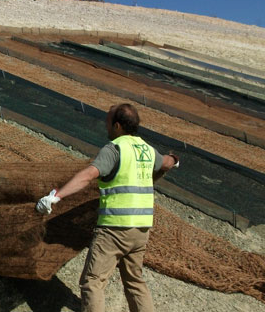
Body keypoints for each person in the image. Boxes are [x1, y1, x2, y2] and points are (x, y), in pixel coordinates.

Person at [36, 103, 179, 312]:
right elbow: (165, 163)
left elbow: (88, 175)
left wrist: (56, 196)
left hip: (115, 229)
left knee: (92, 282)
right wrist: (175, 159)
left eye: (108, 122)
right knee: (135, 282)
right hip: (141, 230)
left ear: (118, 126)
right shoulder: (147, 149)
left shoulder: (114, 149)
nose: (106, 126)